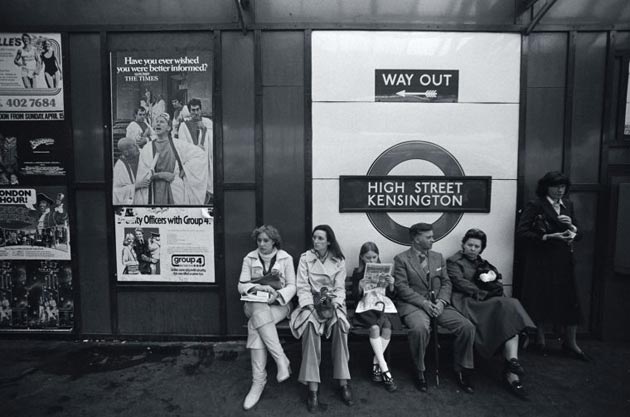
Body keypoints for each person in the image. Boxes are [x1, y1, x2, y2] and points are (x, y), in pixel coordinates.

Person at [447, 228, 536, 399]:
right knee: (508, 306)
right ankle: (512, 367)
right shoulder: (453, 261)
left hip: (486, 302)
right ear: (463, 245)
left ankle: (512, 362)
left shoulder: (484, 263)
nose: (473, 249)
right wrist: (484, 292)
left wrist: (494, 283)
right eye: (470, 245)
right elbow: (459, 283)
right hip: (467, 301)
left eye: (477, 246)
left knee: (510, 309)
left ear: (481, 249)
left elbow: (497, 281)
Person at [393, 222, 475, 393]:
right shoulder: (401, 259)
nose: (433, 239)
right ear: (416, 239)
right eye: (429, 237)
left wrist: (441, 302)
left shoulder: (438, 257)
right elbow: (402, 288)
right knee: (420, 329)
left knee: (466, 327)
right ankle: (419, 370)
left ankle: (461, 369)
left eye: (432, 236)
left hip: (438, 304)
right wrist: (423, 303)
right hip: (414, 305)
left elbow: (446, 282)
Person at [516, 171, 589, 361]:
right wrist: (547, 237)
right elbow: (522, 233)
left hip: (563, 261)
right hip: (541, 261)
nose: (560, 190)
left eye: (563, 186)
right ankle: (540, 340)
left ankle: (571, 343)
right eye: (556, 186)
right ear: (546, 187)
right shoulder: (536, 205)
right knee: (541, 298)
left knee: (569, 300)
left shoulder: (569, 205)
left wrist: (572, 227)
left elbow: (579, 235)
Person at [290, 225, 353, 411]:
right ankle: (313, 388)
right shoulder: (305, 258)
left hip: (332, 304)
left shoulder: (339, 260)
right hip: (310, 304)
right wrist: (310, 305)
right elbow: (301, 286)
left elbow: (340, 288)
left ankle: (343, 382)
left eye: (320, 238)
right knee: (310, 326)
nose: (316, 241)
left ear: (329, 241)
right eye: (314, 237)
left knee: (341, 325)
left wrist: (335, 304)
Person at [237, 225, 296, 410]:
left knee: (255, 324)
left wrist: (277, 295)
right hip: (253, 304)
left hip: (279, 306)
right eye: (259, 240)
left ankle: (258, 382)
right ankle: (281, 360)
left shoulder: (286, 258)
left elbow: (293, 286)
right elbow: (241, 285)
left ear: (274, 242)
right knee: (258, 310)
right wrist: (259, 288)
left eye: (266, 241)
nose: (262, 244)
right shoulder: (249, 258)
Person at [351, 241, 400, 392]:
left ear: (378, 256)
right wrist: (359, 286)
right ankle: (385, 370)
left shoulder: (385, 271)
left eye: (374, 257)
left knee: (387, 328)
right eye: (367, 258)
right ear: (361, 257)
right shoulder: (357, 273)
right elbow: (354, 297)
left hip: (383, 304)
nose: (371, 261)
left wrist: (391, 284)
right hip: (366, 307)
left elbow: (393, 295)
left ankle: (376, 365)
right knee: (374, 327)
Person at [135, 113, 207, 205]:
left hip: (175, 188)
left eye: (161, 122)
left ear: (168, 128)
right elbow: (143, 173)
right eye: (156, 122)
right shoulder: (147, 148)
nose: (158, 124)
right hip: (153, 189)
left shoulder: (179, 144)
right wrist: (161, 175)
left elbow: (199, 154)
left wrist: (185, 170)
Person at [178, 98, 213, 204]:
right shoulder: (184, 126)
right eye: (193, 110)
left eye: (197, 109)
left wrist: (205, 129)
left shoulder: (207, 123)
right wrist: (196, 149)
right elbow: (183, 145)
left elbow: (212, 141)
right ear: (189, 111)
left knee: (206, 188)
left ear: (201, 110)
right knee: (192, 192)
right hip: (192, 164)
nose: (195, 112)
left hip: (206, 160)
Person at [112, 137, 150, 205]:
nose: (137, 147)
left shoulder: (144, 155)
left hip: (149, 196)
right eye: (133, 147)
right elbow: (116, 192)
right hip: (134, 202)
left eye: (136, 145)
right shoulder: (119, 166)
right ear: (126, 152)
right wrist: (135, 186)